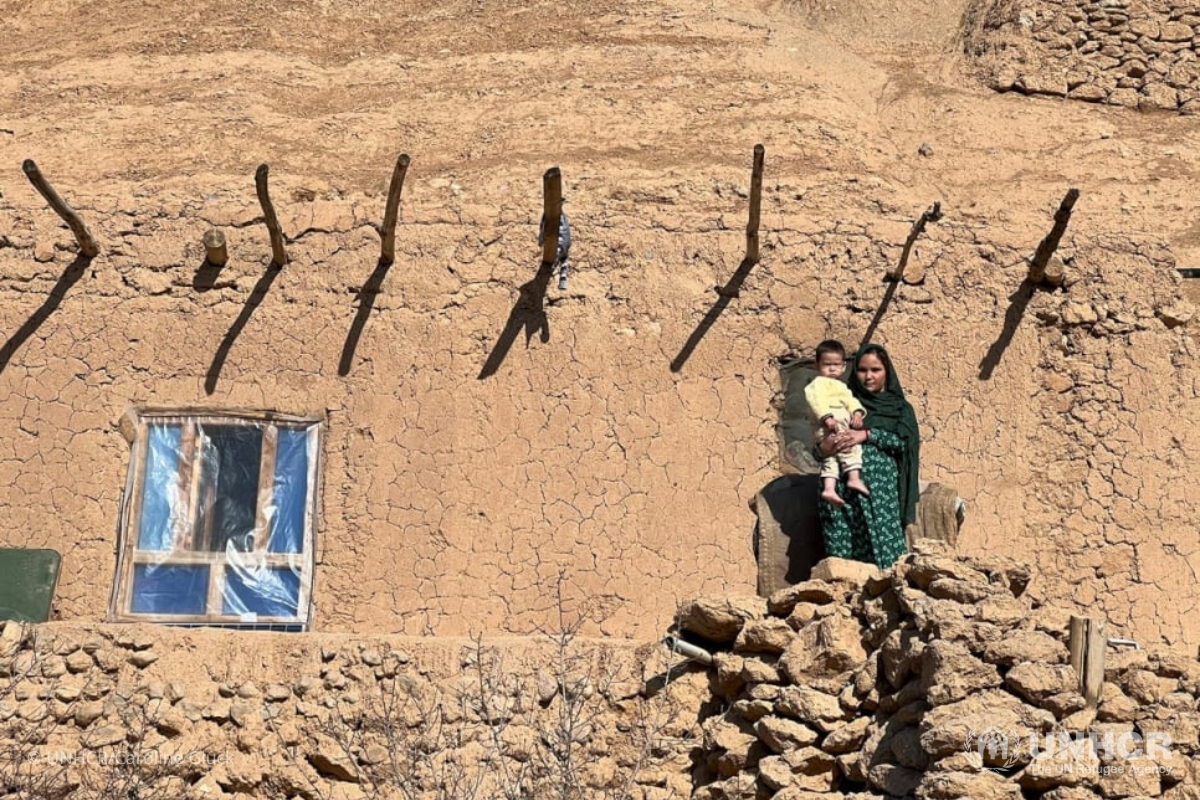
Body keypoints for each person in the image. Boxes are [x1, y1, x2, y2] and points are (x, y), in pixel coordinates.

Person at [814, 343, 920, 569]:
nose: (868, 376)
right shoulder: (842, 402)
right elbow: (817, 451)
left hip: (878, 493)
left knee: (884, 552)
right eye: (862, 370)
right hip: (840, 493)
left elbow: (905, 444)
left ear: (886, 372)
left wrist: (867, 434)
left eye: (875, 370)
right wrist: (825, 447)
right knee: (844, 554)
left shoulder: (899, 409)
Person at [805, 340, 870, 507]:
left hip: (841, 424)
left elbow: (851, 401)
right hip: (829, 425)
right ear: (817, 365)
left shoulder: (842, 386)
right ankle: (854, 478)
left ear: (844, 366)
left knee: (832, 458)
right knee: (846, 448)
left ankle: (830, 488)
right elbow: (816, 402)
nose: (832, 369)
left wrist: (857, 413)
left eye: (836, 365)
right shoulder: (816, 384)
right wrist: (827, 418)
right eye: (827, 365)